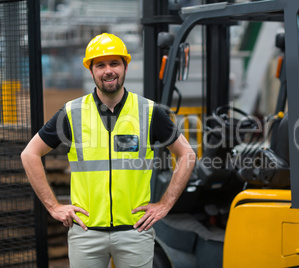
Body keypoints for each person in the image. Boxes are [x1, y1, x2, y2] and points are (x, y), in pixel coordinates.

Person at [21, 33, 196, 268]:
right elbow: (29, 154)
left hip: (135, 232)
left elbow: (187, 154)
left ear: (125, 67)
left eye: (114, 63)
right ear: (91, 71)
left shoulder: (149, 111)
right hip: (86, 233)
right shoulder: (72, 113)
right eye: (100, 65)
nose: (108, 70)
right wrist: (53, 206)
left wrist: (165, 204)